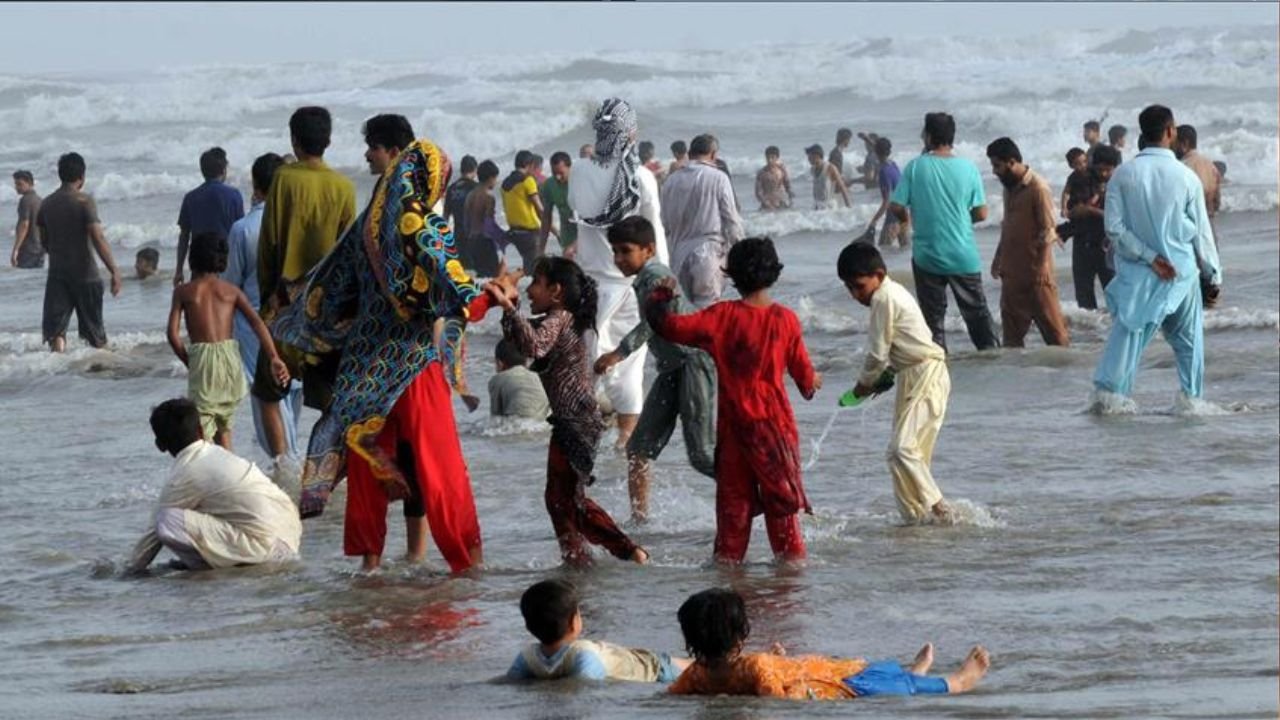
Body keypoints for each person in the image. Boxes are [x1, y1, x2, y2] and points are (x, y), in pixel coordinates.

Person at [271, 119, 498, 573]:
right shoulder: (421, 223)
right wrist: (491, 295)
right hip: (412, 364)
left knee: (367, 464)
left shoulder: (370, 224)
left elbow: (338, 286)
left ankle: (369, 566)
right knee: (439, 467)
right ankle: (465, 561)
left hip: (363, 364)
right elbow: (456, 289)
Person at [648, 237, 819, 563]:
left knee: (733, 515)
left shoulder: (722, 317)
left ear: (732, 275)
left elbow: (669, 327)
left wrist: (660, 297)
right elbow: (806, 381)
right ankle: (789, 593)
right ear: (773, 272)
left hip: (735, 432)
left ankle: (730, 586)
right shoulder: (786, 320)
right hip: (774, 432)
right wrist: (814, 382)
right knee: (782, 514)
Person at [489, 256, 649, 566]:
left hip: (576, 422)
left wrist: (509, 307)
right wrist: (507, 305)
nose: (530, 290)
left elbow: (534, 346)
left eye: (536, 283)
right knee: (557, 499)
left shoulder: (560, 318)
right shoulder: (571, 320)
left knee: (568, 501)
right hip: (575, 421)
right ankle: (576, 557)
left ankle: (628, 550)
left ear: (557, 291)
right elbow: (522, 338)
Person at [1092, 105, 1220, 407]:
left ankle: (1110, 407)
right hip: (1181, 274)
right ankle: (1192, 405)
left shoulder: (1123, 175)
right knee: (1189, 347)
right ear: (1170, 131)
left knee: (1127, 347)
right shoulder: (1185, 177)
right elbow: (1201, 233)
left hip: (1139, 277)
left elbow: (1114, 229)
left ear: (1142, 132)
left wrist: (1149, 257)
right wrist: (1213, 275)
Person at [254, 106, 356, 479]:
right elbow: (349, 256)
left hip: (284, 305)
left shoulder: (283, 180)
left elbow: (270, 242)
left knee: (268, 391)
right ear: (327, 141)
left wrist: (268, 297)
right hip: (327, 313)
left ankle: (284, 466)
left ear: (293, 140)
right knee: (330, 400)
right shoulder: (344, 187)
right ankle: (327, 469)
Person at [595, 216, 716, 522]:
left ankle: (755, 496)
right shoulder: (646, 277)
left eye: (625, 251)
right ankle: (640, 520)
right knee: (638, 448)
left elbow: (654, 321)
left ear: (648, 250)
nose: (619, 259)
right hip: (671, 368)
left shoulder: (654, 277)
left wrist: (619, 353)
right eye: (615, 251)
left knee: (702, 454)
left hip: (692, 364)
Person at [668, 588, 990, 700]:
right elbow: (782, 703)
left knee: (901, 684)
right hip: (839, 683)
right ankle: (941, 677)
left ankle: (942, 676)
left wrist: (777, 667)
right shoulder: (755, 665)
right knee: (901, 686)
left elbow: (667, 698)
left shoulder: (698, 674)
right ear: (741, 635)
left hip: (834, 675)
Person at [569, 98, 669, 449]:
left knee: (586, 363)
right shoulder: (640, 178)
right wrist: (665, 279)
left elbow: (577, 213)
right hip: (627, 287)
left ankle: (583, 436)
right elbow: (652, 231)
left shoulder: (579, 170)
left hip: (587, 287)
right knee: (629, 368)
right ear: (629, 133)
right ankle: (625, 438)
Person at [838, 242, 957, 522]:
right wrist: (888, 376)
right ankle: (914, 517)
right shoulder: (888, 295)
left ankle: (942, 510)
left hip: (928, 373)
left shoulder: (884, 298)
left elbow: (877, 353)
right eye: (849, 288)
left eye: (859, 286)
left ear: (878, 275)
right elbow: (902, 344)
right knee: (897, 454)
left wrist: (863, 386)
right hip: (910, 373)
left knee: (903, 448)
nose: (855, 295)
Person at [126, 398, 302, 573]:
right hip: (290, 536)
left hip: (264, 547)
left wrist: (127, 573)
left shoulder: (182, 475)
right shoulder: (220, 455)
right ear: (201, 431)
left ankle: (204, 566)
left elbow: (149, 542)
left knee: (166, 520)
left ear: (160, 446)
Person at [888, 112, 1000, 352]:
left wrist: (906, 220)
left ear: (928, 136)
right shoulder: (968, 168)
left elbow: (896, 205)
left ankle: (938, 371)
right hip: (963, 254)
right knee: (978, 317)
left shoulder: (916, 167)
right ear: (952, 138)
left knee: (933, 322)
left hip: (927, 255)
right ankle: (993, 364)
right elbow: (981, 213)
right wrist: (959, 220)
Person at [168, 232, 290, 449]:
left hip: (203, 360)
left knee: (202, 431)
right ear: (222, 261)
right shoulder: (231, 291)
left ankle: (211, 478)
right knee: (224, 426)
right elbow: (258, 323)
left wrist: (188, 360)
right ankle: (229, 474)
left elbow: (172, 334)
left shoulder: (184, 292)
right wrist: (274, 357)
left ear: (192, 258)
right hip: (230, 360)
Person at [223, 152, 305, 459]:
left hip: (255, 326)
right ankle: (290, 459)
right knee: (291, 392)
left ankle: (288, 464)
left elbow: (231, 286)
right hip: (297, 322)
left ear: (256, 185)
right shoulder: (298, 223)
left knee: (268, 398)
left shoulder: (244, 228)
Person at [507, 579, 689, 682]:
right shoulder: (582, 653)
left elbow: (509, 682)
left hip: (648, 664)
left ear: (528, 626)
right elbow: (586, 685)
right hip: (649, 667)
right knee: (699, 667)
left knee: (694, 665)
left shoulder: (527, 657)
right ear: (574, 623)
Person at [986, 137, 1070, 348]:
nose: (994, 171)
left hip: (1037, 275)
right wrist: (998, 258)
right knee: (1011, 339)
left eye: (997, 165)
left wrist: (1042, 265)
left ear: (1012, 161)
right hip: (1012, 273)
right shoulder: (1009, 188)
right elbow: (1007, 226)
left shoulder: (1038, 188)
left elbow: (1048, 231)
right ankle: (1018, 379)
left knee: (1055, 336)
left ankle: (1064, 378)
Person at [37, 152, 122, 352]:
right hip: (86, 275)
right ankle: (99, 375)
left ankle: (59, 376)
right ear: (82, 177)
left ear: (60, 175)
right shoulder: (84, 201)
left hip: (58, 274)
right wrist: (114, 271)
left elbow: (43, 240)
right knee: (94, 334)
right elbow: (97, 237)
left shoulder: (47, 203)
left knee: (56, 332)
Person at [661, 133, 743, 309]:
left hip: (678, 255)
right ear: (713, 155)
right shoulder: (718, 177)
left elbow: (665, 223)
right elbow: (731, 219)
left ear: (690, 154)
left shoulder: (671, 181)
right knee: (707, 311)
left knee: (684, 311)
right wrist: (740, 251)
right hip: (708, 253)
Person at [1060, 146, 1121, 310]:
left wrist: (1089, 210)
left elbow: (1117, 218)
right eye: (1099, 170)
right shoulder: (1082, 180)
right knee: (1084, 303)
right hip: (1082, 244)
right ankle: (1090, 335)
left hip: (1107, 247)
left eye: (1107, 170)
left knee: (1116, 298)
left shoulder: (1119, 187)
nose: (1103, 174)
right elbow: (1072, 209)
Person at [173, 147, 244, 286]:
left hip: (198, 264)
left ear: (202, 171)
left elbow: (184, 236)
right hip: (225, 262)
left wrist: (179, 270)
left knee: (199, 304)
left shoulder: (190, 197)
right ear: (224, 170)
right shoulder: (234, 195)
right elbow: (239, 232)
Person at [501, 150, 544, 273]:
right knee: (536, 271)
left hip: (514, 233)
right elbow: (540, 209)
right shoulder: (528, 180)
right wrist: (555, 231)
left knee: (529, 267)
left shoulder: (504, 183)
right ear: (529, 165)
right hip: (530, 233)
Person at [461, 160, 504, 277]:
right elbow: (489, 224)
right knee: (493, 277)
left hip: (472, 242)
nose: (496, 181)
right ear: (490, 178)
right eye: (495, 178)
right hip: (485, 242)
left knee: (481, 276)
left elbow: (465, 222)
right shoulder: (489, 197)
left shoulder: (470, 196)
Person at [489, 338, 550, 420]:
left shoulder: (497, 380)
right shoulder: (539, 377)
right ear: (527, 362)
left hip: (516, 422)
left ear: (499, 363)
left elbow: (495, 416)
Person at [865, 137, 910, 249]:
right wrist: (868, 139)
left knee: (884, 250)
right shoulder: (893, 165)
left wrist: (874, 221)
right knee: (905, 249)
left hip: (893, 219)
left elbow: (887, 201)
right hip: (904, 215)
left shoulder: (884, 172)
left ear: (876, 152)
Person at [539, 151, 577, 258]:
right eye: (554, 173)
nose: (557, 177)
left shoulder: (580, 181)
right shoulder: (549, 185)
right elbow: (546, 217)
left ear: (570, 168)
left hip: (587, 234)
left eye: (561, 173)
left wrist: (576, 245)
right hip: (567, 235)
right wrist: (541, 249)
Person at [10, 170, 43, 268]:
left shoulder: (25, 200)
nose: (16, 187)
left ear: (30, 184)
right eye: (16, 184)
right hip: (39, 248)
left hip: (28, 249)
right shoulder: (39, 199)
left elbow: (24, 224)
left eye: (20, 184)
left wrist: (16, 249)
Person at [444, 154, 479, 243]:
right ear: (475, 169)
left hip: (459, 238)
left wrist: (444, 240)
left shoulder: (451, 189)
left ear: (461, 170)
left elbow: (445, 217)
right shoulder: (477, 188)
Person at [805, 144, 851, 210]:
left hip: (829, 207)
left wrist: (849, 207)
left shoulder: (830, 168)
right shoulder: (812, 169)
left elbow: (842, 187)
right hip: (816, 206)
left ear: (817, 156)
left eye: (810, 157)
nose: (808, 159)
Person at [754, 146, 793, 211]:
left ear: (777, 158)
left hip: (781, 202)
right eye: (768, 158)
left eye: (772, 157)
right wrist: (766, 203)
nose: (770, 160)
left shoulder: (782, 170)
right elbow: (758, 192)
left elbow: (788, 186)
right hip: (767, 204)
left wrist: (790, 198)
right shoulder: (762, 173)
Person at [1060, 148, 1088, 218]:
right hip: (1077, 204)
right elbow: (1066, 193)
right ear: (1071, 166)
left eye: (1085, 161)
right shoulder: (1072, 177)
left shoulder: (1092, 172)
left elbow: (1100, 189)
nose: (1083, 165)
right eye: (1078, 164)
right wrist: (1064, 208)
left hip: (1090, 203)